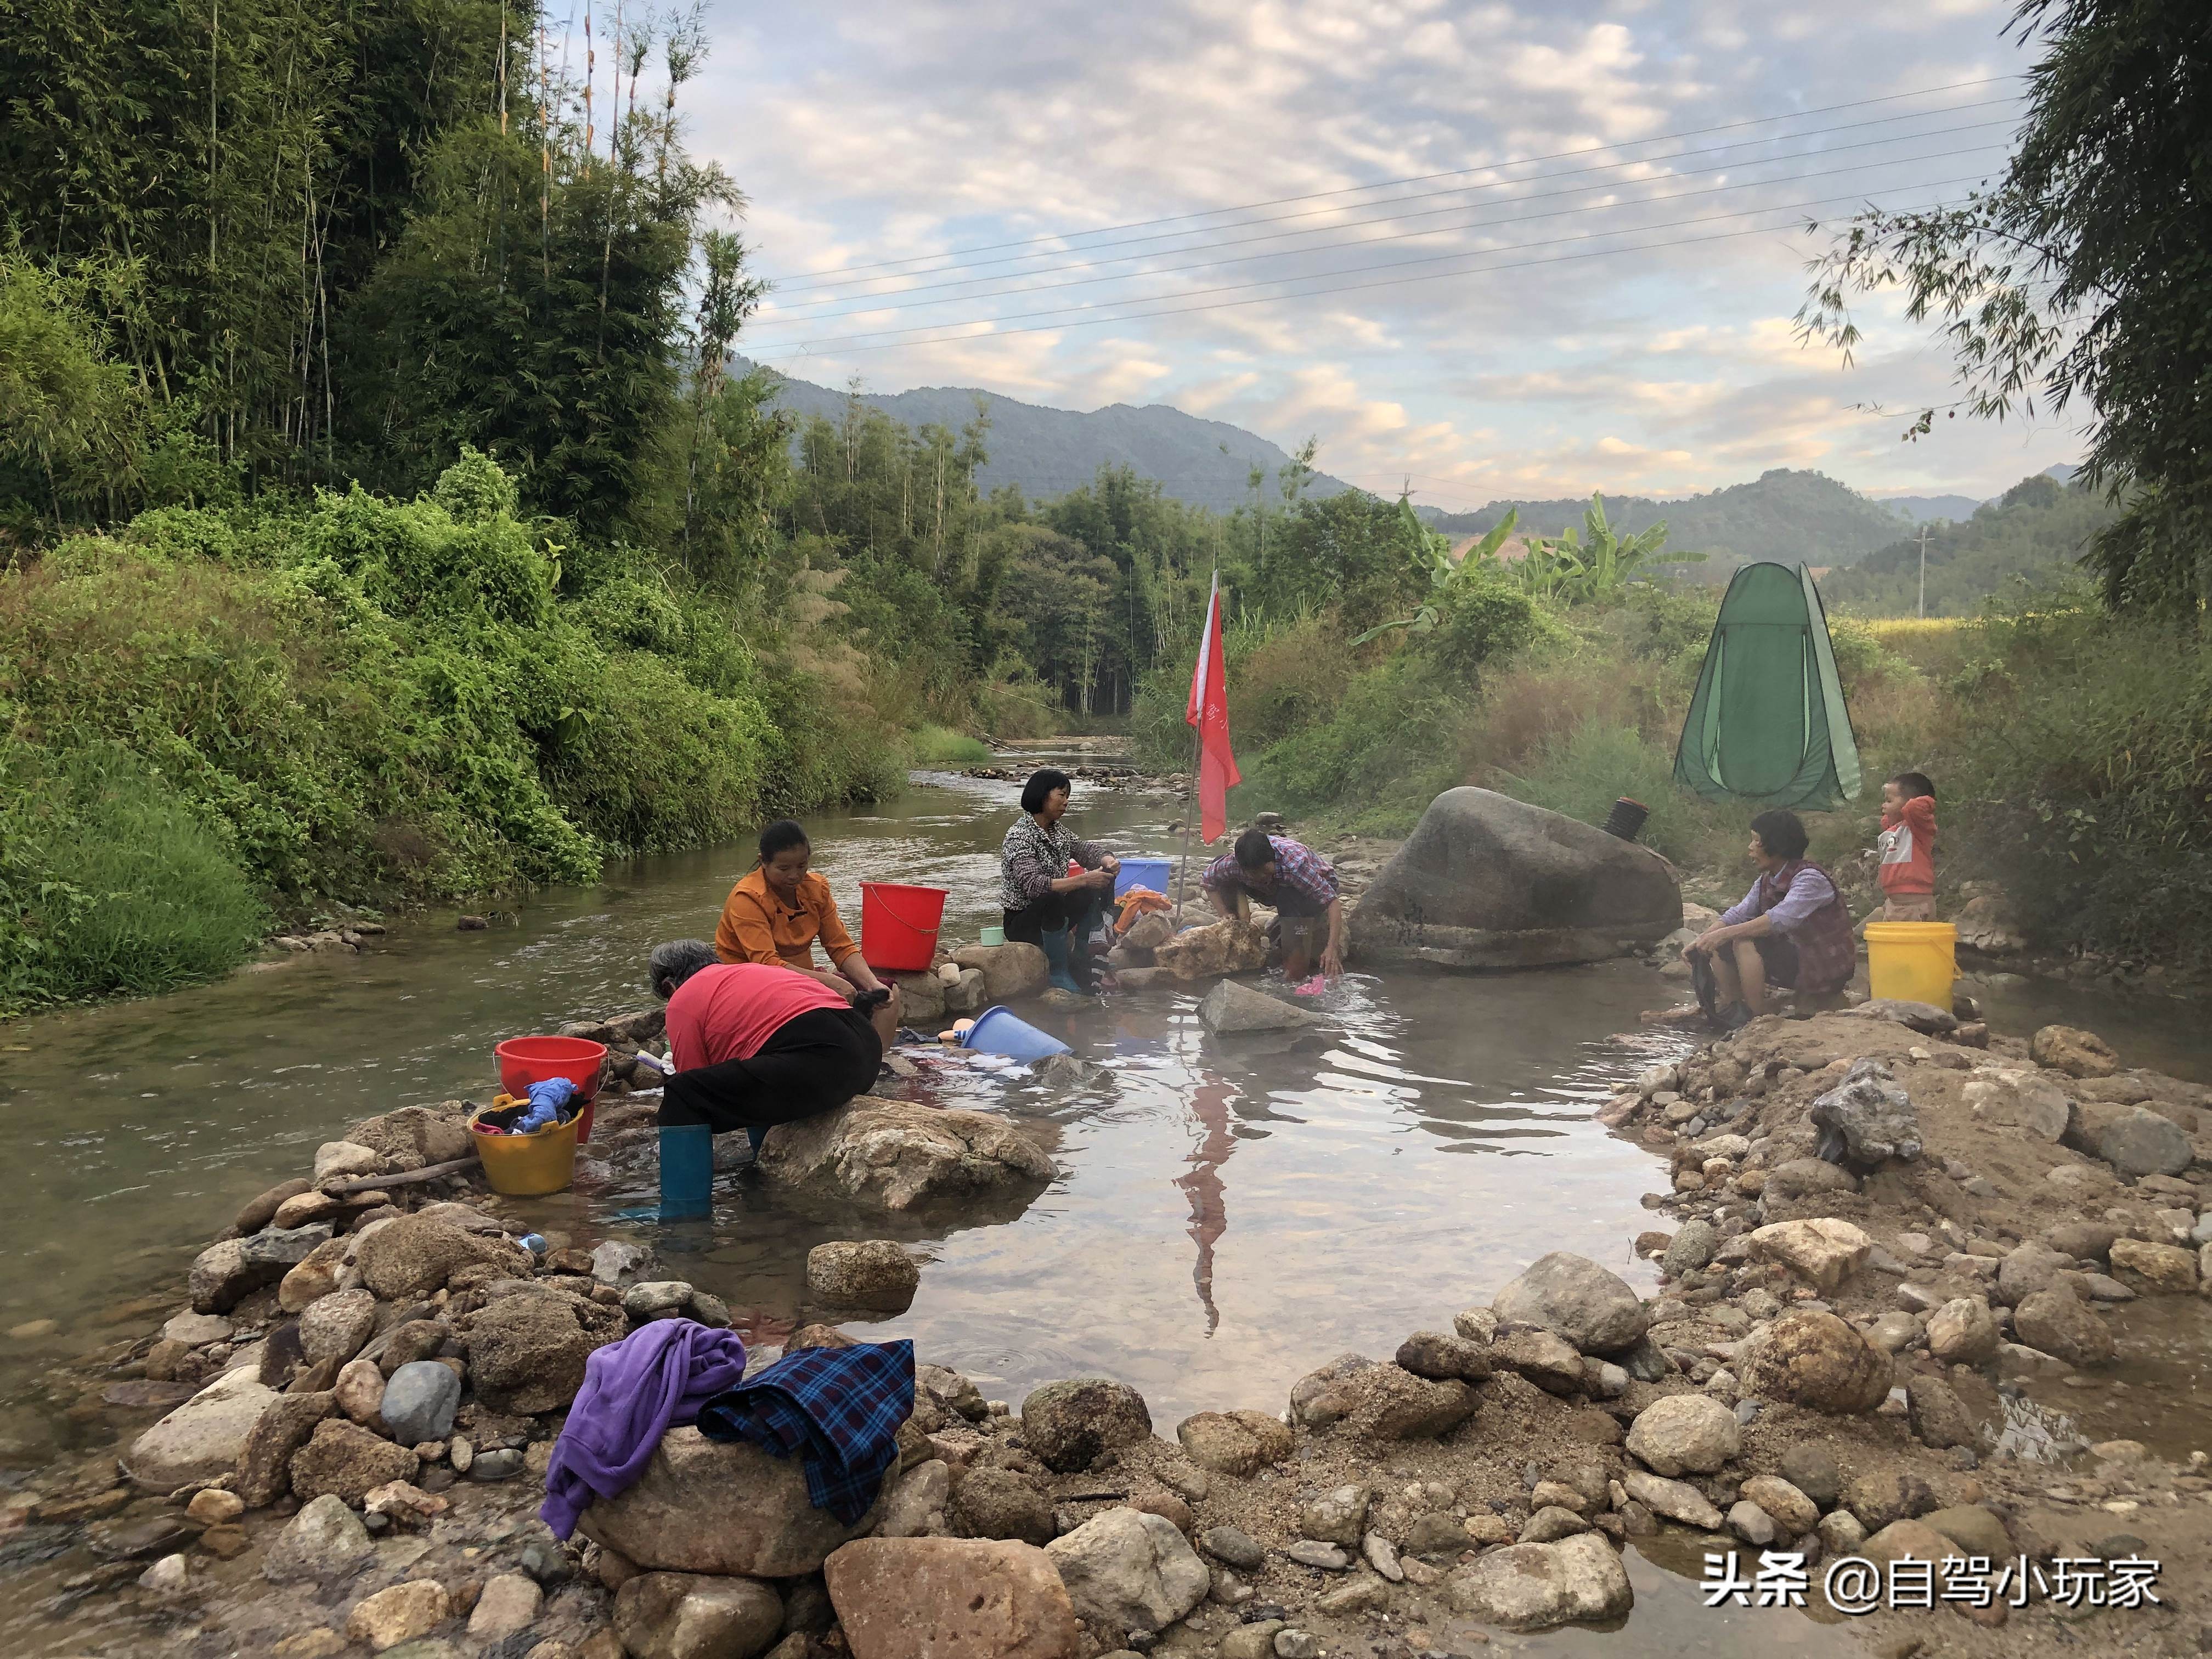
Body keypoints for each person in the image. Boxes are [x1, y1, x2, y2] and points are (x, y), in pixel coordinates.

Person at [650, 940, 883, 1143]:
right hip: (867, 1049)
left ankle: (684, 1195)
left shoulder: (684, 996)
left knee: (682, 1095)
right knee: (753, 1070)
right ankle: (761, 1157)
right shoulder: (751, 971)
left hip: (823, 1061)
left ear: (669, 986)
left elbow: (694, 1075)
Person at [715, 820, 899, 1047]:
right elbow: (766, 964)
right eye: (784, 869)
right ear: (763, 862)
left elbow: (840, 946)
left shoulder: (816, 889)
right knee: (833, 998)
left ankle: (876, 1065)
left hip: (802, 977)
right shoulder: (748, 898)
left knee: (889, 992)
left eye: (802, 866)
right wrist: (829, 982)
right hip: (752, 986)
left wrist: (871, 983)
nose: (795, 875)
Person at [1685, 809, 1857, 1030]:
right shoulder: (1766, 880)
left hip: (1824, 963)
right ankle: (1734, 1007)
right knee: (1721, 941)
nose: (1750, 847)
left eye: (1756, 841)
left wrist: (1724, 934)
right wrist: (1703, 939)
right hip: (1797, 955)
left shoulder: (1810, 878)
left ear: (1777, 846)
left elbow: (1780, 920)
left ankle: (1758, 1018)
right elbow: (1738, 914)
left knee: (1743, 941)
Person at [1000, 768, 1118, 994]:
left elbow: (1085, 850)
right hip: (1023, 922)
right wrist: (1084, 879)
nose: (1066, 802)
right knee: (1054, 897)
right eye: (1061, 795)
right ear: (1042, 795)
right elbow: (1035, 886)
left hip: (1054, 916)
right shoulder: (1019, 835)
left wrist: (1108, 859)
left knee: (1098, 883)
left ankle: (1084, 954)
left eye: (1068, 797)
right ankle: (1058, 971)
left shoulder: (1058, 832)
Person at [1203, 828, 1345, 979]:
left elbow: (1332, 901)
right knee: (1224, 876)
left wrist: (1332, 948)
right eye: (1255, 873)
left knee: (1287, 895)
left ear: (1273, 859)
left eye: (1265, 871)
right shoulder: (1233, 864)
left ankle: (1295, 969)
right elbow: (1208, 881)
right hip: (1271, 890)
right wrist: (1224, 913)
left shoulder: (1294, 866)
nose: (1262, 876)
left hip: (1310, 891)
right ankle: (1241, 936)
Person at [1876, 771, 1938, 922]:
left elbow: (1916, 806)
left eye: (1889, 801)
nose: (1883, 805)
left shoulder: (1918, 828)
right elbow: (1889, 820)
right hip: (1892, 903)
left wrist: (1906, 805)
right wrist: (1894, 810)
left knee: (1913, 944)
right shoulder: (1892, 829)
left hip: (1915, 904)